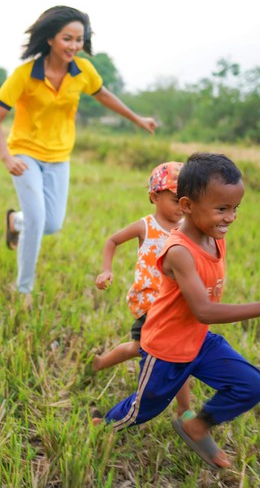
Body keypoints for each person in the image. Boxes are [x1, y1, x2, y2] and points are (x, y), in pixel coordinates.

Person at [93, 153, 260, 470]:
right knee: (141, 410)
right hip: (166, 348)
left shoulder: (214, 236)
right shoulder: (178, 251)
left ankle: (197, 425)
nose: (230, 217)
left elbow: (203, 315)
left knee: (252, 385)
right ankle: (99, 427)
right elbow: (202, 309)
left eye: (234, 208)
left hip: (199, 341)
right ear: (187, 205)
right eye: (221, 209)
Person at [0, 5, 158, 301]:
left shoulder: (83, 72)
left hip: (59, 157)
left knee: (51, 224)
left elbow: (104, 95)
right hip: (25, 153)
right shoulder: (25, 74)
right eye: (68, 38)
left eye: (79, 39)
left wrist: (137, 119)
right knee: (39, 220)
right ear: (51, 38)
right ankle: (23, 290)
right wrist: (6, 157)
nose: (75, 45)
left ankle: (16, 221)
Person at [92, 161, 193, 420]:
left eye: (186, 201)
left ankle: (184, 408)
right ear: (154, 196)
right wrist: (107, 270)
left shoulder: (187, 230)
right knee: (162, 353)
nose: (182, 208)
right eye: (175, 200)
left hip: (177, 305)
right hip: (150, 305)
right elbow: (112, 241)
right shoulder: (145, 226)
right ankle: (101, 364)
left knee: (174, 354)